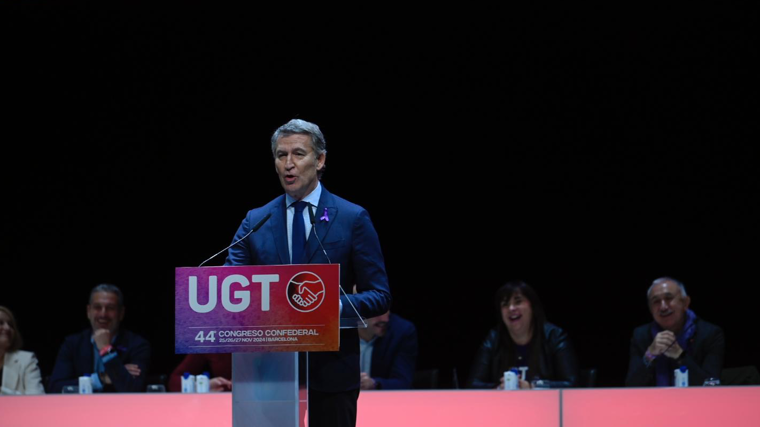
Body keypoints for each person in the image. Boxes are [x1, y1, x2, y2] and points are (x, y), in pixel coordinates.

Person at [225, 119, 391, 427]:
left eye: (298, 154)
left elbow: (380, 295)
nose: (288, 164)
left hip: (332, 371)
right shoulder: (256, 220)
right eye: (280, 155)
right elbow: (227, 287)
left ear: (320, 160)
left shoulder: (352, 218)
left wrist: (333, 307)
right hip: (269, 372)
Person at [467, 281, 578, 389]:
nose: (511, 308)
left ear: (532, 307)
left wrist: (533, 387)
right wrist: (498, 388)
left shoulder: (554, 336)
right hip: (503, 406)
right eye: (505, 304)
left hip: (545, 406)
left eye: (518, 302)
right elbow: (473, 385)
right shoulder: (493, 338)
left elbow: (572, 384)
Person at [48, 284, 151, 393]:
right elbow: (55, 388)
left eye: (110, 308)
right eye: (97, 307)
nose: (103, 314)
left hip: (121, 408)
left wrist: (106, 349)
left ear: (121, 313)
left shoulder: (138, 345)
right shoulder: (72, 344)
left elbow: (133, 389)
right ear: (88, 311)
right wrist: (101, 379)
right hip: (79, 408)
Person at [625, 277, 724, 386]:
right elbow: (631, 386)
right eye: (656, 301)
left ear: (685, 303)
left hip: (696, 401)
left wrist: (680, 356)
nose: (663, 307)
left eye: (669, 298)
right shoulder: (641, 335)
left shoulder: (710, 334)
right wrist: (650, 355)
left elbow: (711, 386)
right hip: (653, 401)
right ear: (650, 309)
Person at [358, 311, 417, 390]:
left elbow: (403, 382)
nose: (385, 319)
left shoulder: (401, 331)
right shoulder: (338, 329)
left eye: (386, 311)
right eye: (377, 312)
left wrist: (373, 383)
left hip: (382, 399)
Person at [1, 306, 45, 395]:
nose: (7, 328)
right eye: (0, 323)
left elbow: (37, 400)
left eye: (10, 325)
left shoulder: (26, 360)